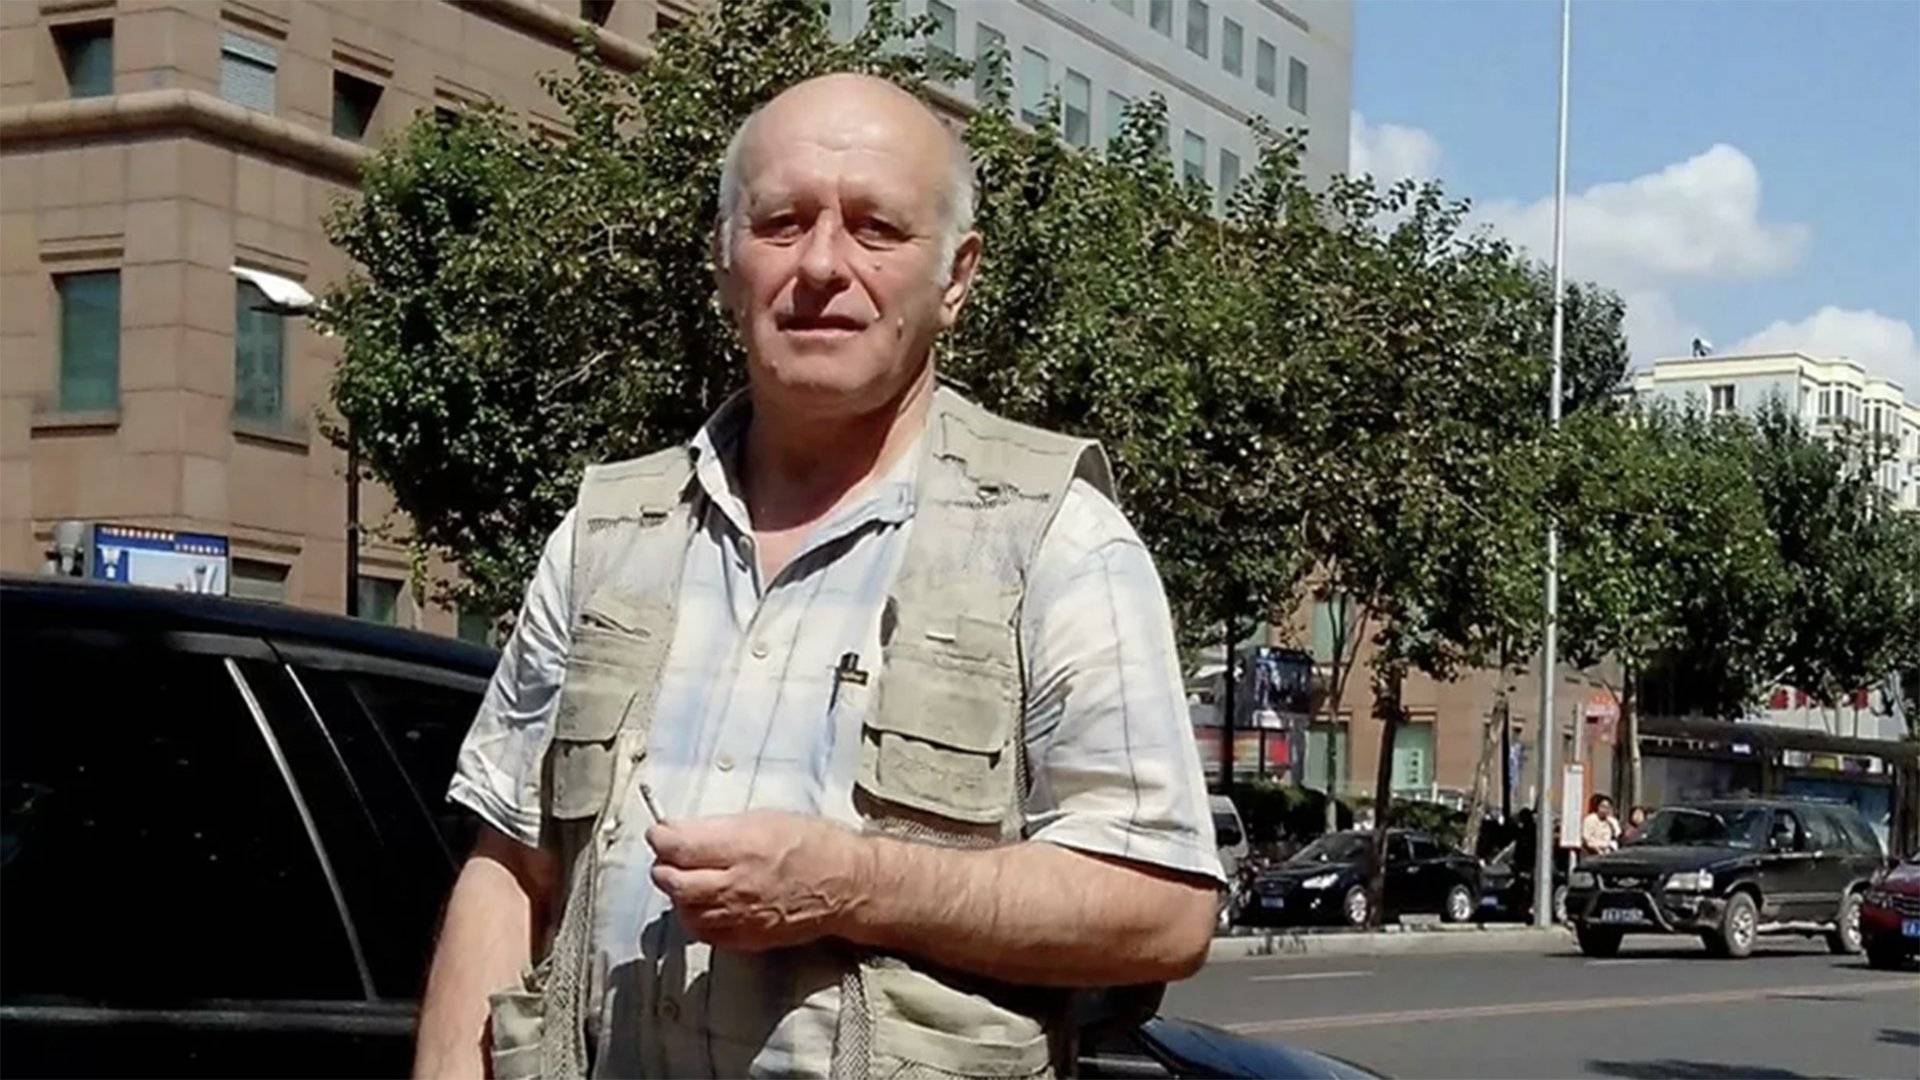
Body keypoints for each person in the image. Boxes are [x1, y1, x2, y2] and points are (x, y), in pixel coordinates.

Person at [411, 74, 1223, 1080]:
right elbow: (509, 865)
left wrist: (855, 885)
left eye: (877, 228)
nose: (824, 265)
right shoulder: (608, 533)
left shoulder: (1058, 543)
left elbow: (1164, 911)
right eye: (782, 223)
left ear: (957, 277)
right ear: (724, 258)